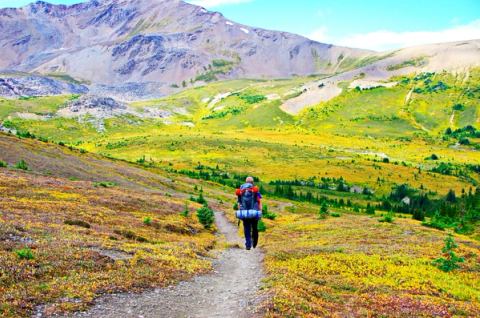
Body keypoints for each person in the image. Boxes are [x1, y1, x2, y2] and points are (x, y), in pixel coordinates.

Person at [236, 176, 262, 250]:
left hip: (245, 213)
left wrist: (240, 211)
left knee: (246, 228)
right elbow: (259, 201)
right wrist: (260, 211)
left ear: (245, 181)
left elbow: (239, 203)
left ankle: (248, 244)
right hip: (254, 212)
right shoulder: (255, 190)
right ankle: (254, 243)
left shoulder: (241, 190)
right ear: (252, 182)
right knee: (254, 228)